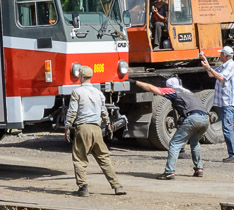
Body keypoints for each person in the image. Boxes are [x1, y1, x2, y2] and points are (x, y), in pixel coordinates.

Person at [63, 66, 125, 196]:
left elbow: (72, 111)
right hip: (97, 129)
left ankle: (83, 188)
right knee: (104, 158)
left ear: (80, 76)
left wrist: (67, 126)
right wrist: (108, 125)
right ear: (91, 77)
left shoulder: (77, 92)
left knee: (80, 159)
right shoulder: (99, 93)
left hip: (83, 128)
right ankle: (117, 186)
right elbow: (104, 111)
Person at [135, 78, 210, 180]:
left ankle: (169, 172)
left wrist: (136, 82)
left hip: (193, 118)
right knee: (195, 142)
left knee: (175, 144)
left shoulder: (173, 91)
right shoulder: (188, 92)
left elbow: (152, 89)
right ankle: (199, 168)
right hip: (205, 118)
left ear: (169, 86)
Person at [202, 46, 234, 162]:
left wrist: (209, 67)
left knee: (227, 127)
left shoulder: (230, 65)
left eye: (221, 54)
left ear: (225, 55)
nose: (219, 56)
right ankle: (233, 154)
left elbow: (220, 78)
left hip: (228, 102)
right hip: (225, 102)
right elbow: (211, 74)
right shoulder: (225, 66)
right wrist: (206, 64)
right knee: (227, 127)